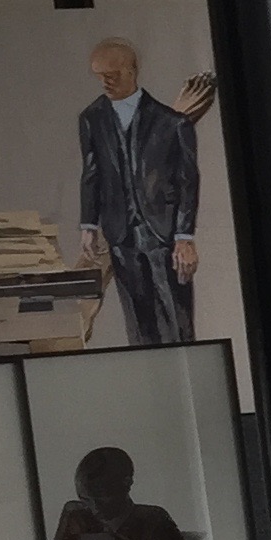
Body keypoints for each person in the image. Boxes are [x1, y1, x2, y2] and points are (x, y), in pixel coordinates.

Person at [76, 37, 200, 349]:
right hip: (120, 234)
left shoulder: (172, 123)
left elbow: (188, 182)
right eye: (100, 76)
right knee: (138, 321)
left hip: (164, 235)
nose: (105, 82)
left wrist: (184, 237)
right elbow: (91, 173)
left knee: (176, 319)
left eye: (112, 75)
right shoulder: (91, 118)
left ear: (132, 71)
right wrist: (88, 225)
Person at [48, 447, 194, 540]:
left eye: (102, 497)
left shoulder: (155, 522)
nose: (94, 507)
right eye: (85, 500)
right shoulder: (78, 520)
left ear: (127, 483)